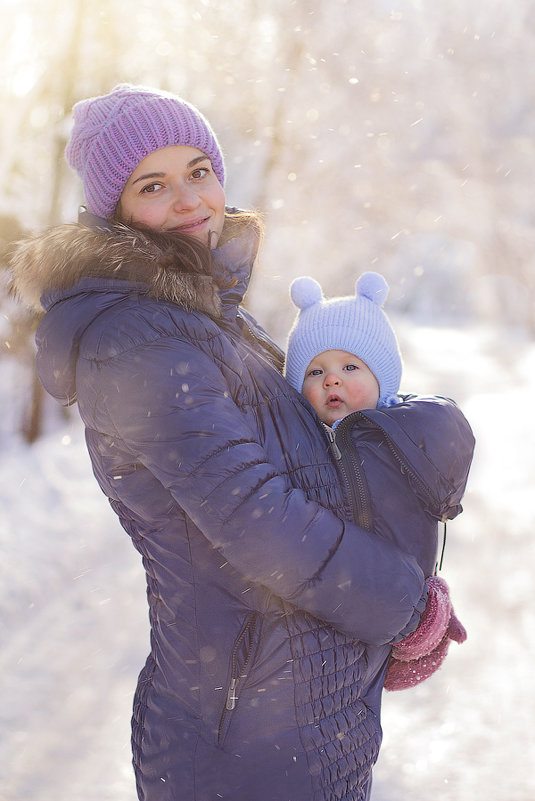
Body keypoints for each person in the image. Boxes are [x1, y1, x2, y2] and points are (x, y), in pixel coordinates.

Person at [10, 83, 464, 801]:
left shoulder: (208, 317)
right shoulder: (139, 339)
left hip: (295, 721)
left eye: (199, 170)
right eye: (153, 184)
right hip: (242, 741)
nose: (190, 199)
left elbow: (307, 464)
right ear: (117, 212)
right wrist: (404, 606)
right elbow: (257, 517)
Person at [284, 271, 475, 689]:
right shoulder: (300, 445)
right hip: (321, 628)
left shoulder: (401, 441)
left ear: (382, 378)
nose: (331, 379)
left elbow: (414, 530)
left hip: (395, 609)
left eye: (350, 366)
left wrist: (426, 601)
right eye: (315, 372)